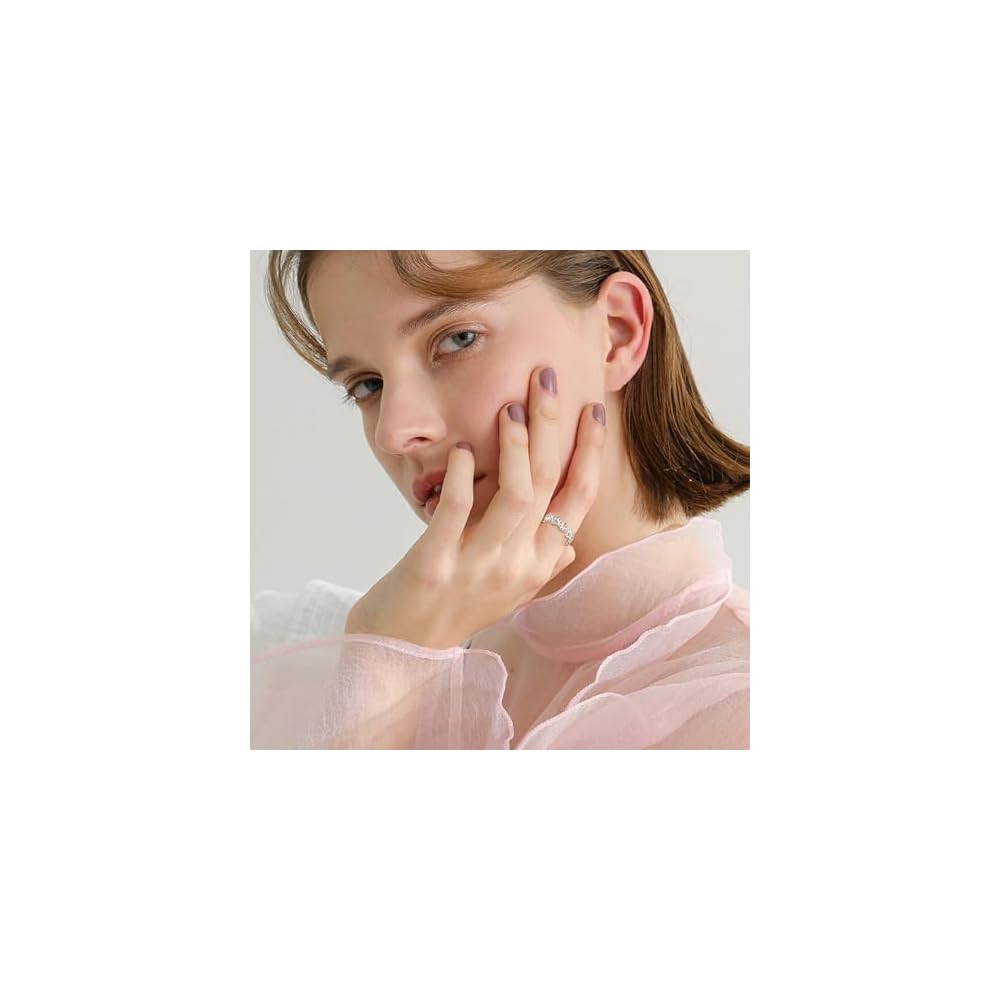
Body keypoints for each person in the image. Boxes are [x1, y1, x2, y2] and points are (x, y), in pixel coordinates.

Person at [252, 251, 750, 749]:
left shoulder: (740, 711)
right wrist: (387, 655)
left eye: (457, 339)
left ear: (618, 332)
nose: (396, 431)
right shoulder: (302, 663)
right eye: (368, 385)